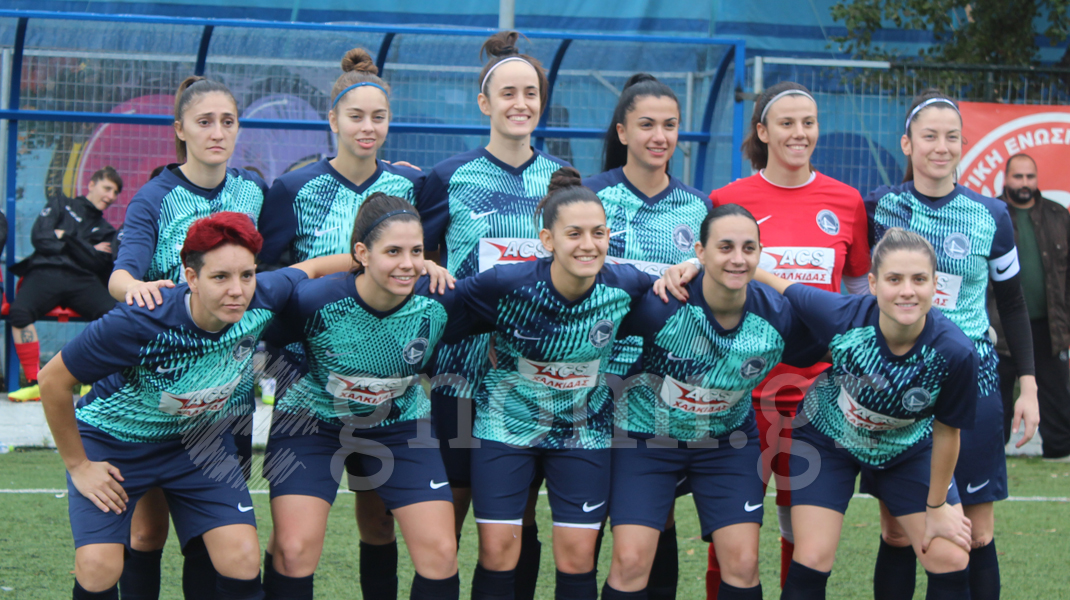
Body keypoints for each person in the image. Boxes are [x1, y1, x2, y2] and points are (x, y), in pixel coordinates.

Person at [37, 212, 353, 600]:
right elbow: (52, 380)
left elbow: (315, 266)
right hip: (116, 445)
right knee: (99, 567)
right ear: (191, 277)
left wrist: (396, 265)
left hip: (197, 443)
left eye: (247, 275)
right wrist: (79, 466)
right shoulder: (140, 321)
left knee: (241, 557)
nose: (237, 290)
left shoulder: (264, 296)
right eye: (220, 277)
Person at [661, 81, 871, 596]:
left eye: (808, 122)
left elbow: (858, 296)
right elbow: (705, 272)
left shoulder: (846, 201)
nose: (800, 133)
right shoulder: (728, 199)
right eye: (787, 123)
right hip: (739, 387)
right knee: (732, 528)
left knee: (802, 526)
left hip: (817, 390)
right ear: (762, 131)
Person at [255, 48, 433, 599]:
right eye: (355, 116)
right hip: (308, 379)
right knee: (293, 541)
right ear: (333, 119)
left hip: (386, 381)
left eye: (378, 117)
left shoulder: (412, 187)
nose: (367, 127)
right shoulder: (293, 190)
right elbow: (270, 280)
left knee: (379, 521)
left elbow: (425, 267)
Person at [455, 168, 677, 600]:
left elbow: (683, 296)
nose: (588, 244)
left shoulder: (626, 284)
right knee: (498, 552)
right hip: (506, 426)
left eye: (598, 233)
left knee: (577, 558)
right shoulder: (506, 284)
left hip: (584, 431)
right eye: (574, 234)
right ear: (548, 239)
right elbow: (440, 306)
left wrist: (682, 271)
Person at [865, 89, 1041, 600]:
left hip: (975, 382)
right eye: (929, 136)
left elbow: (1012, 305)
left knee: (976, 533)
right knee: (897, 532)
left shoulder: (992, 215)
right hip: (896, 383)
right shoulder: (879, 207)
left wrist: (1028, 386)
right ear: (907, 143)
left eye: (951, 137)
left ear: (963, 144)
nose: (940, 147)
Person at [417, 30, 570, 599]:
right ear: (485, 103)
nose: (520, 103)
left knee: (516, 521)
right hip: (460, 375)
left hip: (531, 379)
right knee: (448, 521)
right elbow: (417, 258)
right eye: (508, 93)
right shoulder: (448, 177)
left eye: (530, 93)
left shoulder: (562, 179)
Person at [107, 75, 272, 599]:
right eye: (204, 122)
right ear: (180, 129)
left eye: (227, 121)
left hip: (227, 392)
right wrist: (137, 289)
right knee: (146, 532)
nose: (217, 132)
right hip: (158, 392)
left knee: (210, 534)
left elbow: (289, 267)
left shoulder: (253, 193)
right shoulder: (155, 197)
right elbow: (121, 275)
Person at [603, 204, 821, 600]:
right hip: (645, 439)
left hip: (727, 442)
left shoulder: (777, 315)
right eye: (725, 247)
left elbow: (836, 341)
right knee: (631, 561)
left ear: (760, 253)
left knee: (743, 563)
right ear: (700, 253)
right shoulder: (661, 305)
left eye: (749, 248)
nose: (738, 258)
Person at [754, 227, 976, 600]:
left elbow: (947, 432)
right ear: (872, 284)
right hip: (827, 439)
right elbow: (775, 282)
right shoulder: (843, 315)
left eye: (919, 279)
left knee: (949, 557)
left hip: (906, 448)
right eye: (894, 279)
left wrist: (937, 506)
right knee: (812, 557)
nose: (907, 290)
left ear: (935, 285)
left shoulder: (954, 351)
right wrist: (697, 264)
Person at [262, 193, 465, 600]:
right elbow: (263, 338)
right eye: (393, 251)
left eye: (416, 251)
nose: (407, 264)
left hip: (399, 423)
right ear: (361, 253)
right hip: (313, 421)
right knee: (293, 549)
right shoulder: (314, 300)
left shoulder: (439, 300)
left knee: (441, 554)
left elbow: (502, 307)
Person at [582, 72, 711, 600]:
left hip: (663, 387)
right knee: (585, 519)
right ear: (623, 131)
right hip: (592, 379)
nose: (660, 136)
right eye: (647, 125)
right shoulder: (591, 197)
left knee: (656, 520)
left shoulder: (699, 208)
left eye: (670, 126)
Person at [8, 167, 122, 402]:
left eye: (115, 193)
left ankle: (91, 383)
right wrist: (87, 248)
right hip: (45, 271)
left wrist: (66, 237)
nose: (110, 196)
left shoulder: (106, 231)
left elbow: (97, 263)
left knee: (116, 317)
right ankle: (35, 383)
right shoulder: (61, 203)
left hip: (83, 279)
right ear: (91, 184)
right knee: (19, 312)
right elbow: (41, 238)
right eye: (107, 188)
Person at [989, 154, 1070, 462]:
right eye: (1018, 176)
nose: (1024, 183)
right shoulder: (991, 214)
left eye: (1030, 177)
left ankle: (1060, 453)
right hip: (1000, 325)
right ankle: (991, 456)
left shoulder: (1058, 215)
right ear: (1005, 178)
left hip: (1048, 326)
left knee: (1056, 396)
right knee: (995, 399)